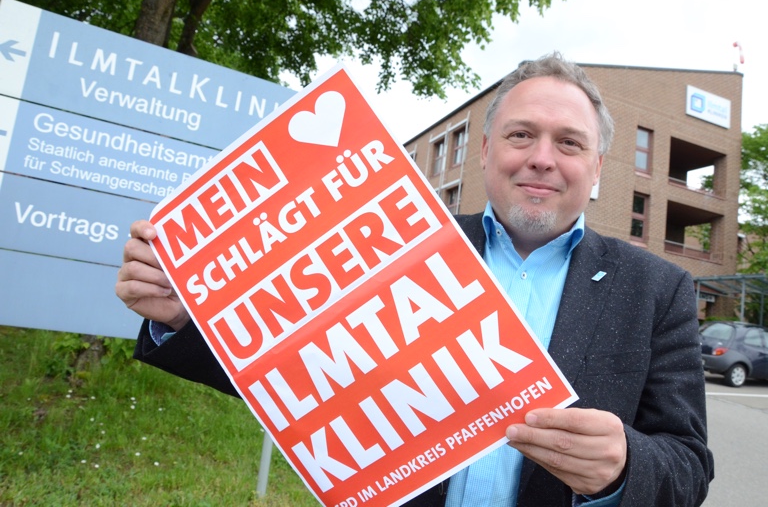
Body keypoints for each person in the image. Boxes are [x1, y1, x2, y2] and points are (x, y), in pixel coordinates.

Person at [116, 52, 714, 506]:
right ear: (485, 150)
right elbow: (291, 369)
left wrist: (623, 468)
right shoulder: (398, 242)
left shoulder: (657, 290)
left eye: (569, 143)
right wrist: (186, 316)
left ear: (597, 168)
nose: (542, 157)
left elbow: (688, 466)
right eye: (521, 134)